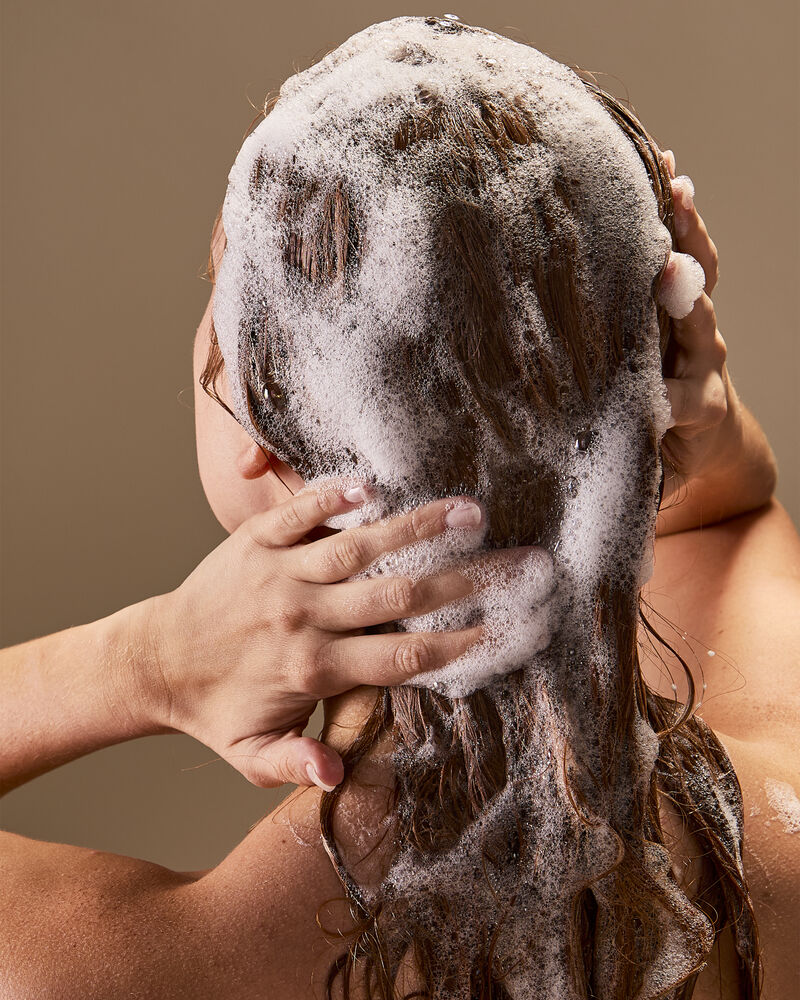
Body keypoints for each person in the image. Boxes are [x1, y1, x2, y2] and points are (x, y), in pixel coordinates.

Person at [0, 15, 794, 1000]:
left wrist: (145, 662)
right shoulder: (772, 841)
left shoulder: (96, 965)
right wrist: (670, 419)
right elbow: (731, 515)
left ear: (260, 434)